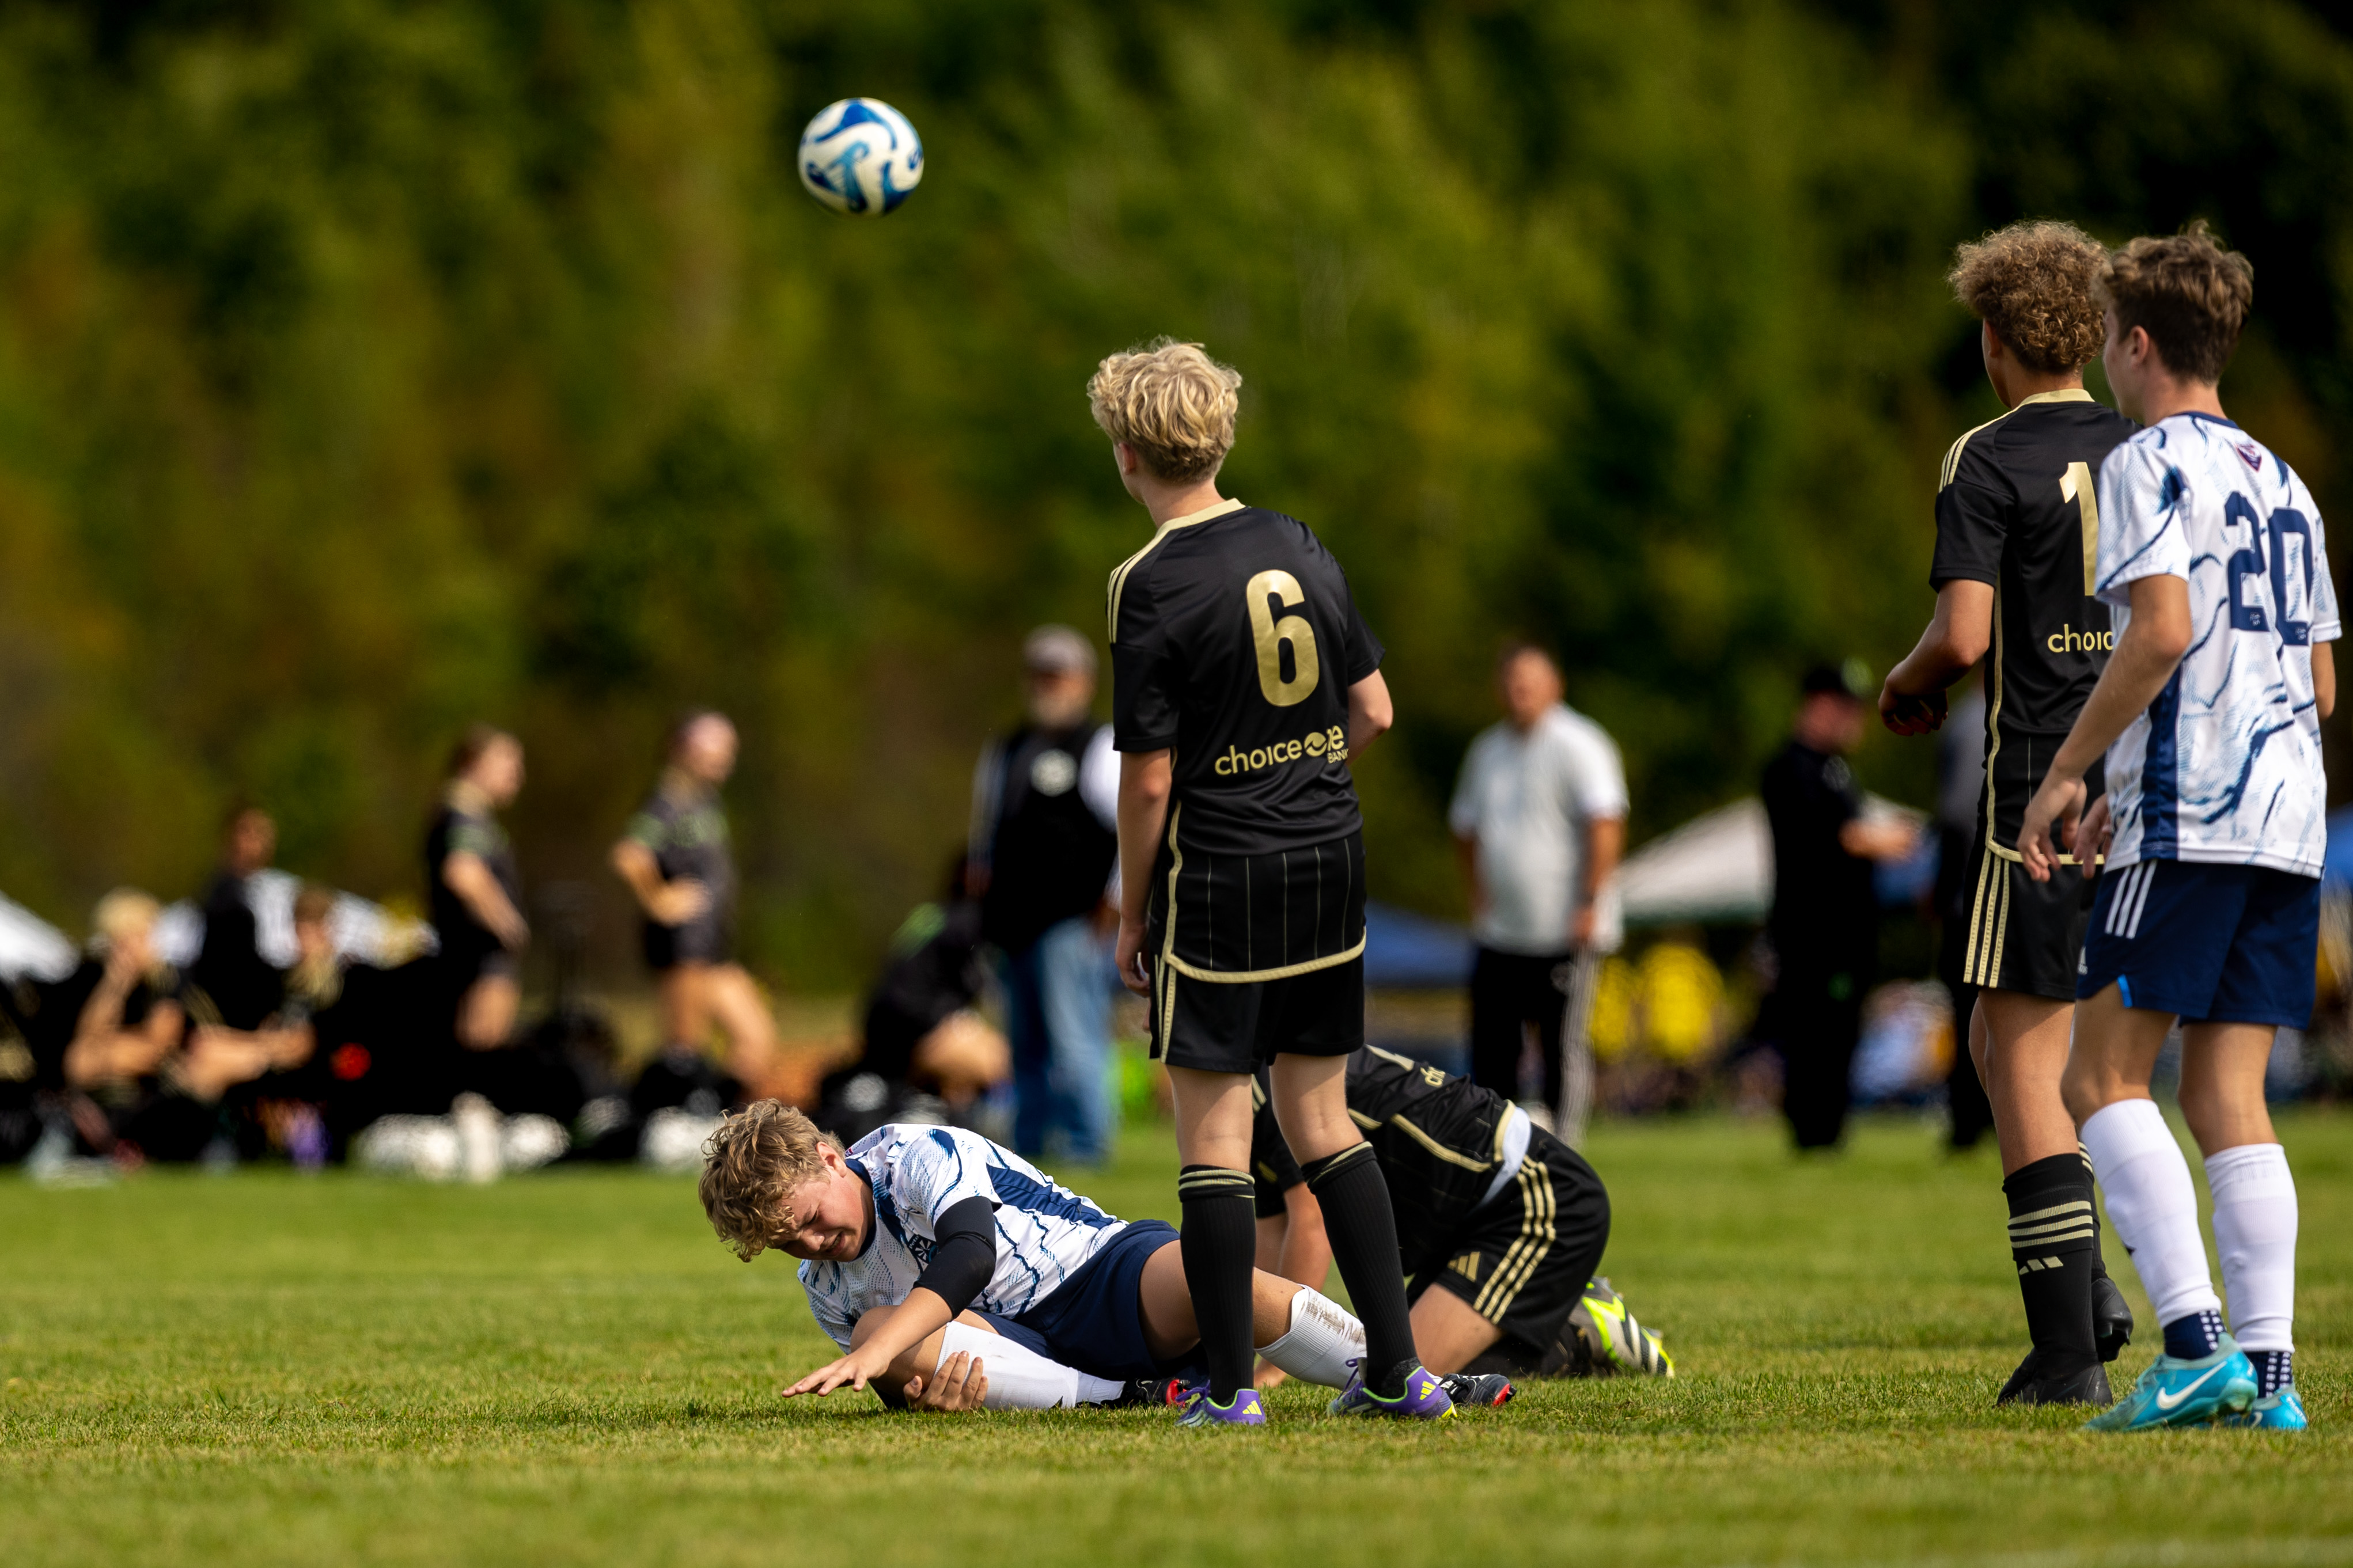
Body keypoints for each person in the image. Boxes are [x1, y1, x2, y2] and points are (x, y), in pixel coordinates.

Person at [2019, 224, 2336, 1433]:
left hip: (2194, 810)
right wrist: (2134, 778)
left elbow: (2158, 629)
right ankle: (2270, 1377)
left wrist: (2071, 770)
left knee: (2095, 1072)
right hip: (2287, 817)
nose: (2103, 355)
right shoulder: (2285, 482)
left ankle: (2194, 1344)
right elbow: (2317, 687)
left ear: (2138, 342)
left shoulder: (2146, 460)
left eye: (2107, 335)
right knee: (2226, 1093)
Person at [1096, 336, 1446, 1426]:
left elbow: (1150, 778)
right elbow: (1374, 708)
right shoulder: (1298, 540)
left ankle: (1230, 1392)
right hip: (1331, 856)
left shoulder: (1147, 580)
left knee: (1212, 1141)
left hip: (1225, 873)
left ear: (1126, 453)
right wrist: (1301, 779)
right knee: (1323, 1118)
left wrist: (1133, 910)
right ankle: (1399, 1372)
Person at [1878, 221, 2144, 1406]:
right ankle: (2090, 1291)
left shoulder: (1983, 455)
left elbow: (1965, 634)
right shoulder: (2145, 440)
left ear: (1993, 338)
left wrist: (1904, 683)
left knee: (2022, 1054)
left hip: (2037, 786)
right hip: (2144, 776)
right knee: (2024, 1045)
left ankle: (2067, 1350)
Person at [700, 1102, 1380, 1415]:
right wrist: (920, 1396)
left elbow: (971, 1252)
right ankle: (1127, 1396)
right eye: (787, 1243)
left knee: (1211, 1273)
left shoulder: (913, 1153)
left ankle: (1391, 1371)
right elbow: (894, 1378)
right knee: (877, 1330)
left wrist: (879, 1351)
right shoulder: (823, 1283)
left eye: (810, 1220)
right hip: (1024, 1349)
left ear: (829, 1158)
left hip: (1099, 1275)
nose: (812, 1245)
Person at [1248, 1046, 1671, 1396]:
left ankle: (1577, 1326)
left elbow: (1310, 1224)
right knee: (1387, 1363)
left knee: (1403, 1377)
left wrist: (1272, 1368)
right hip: (1462, 1223)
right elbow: (1270, 1234)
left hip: (1535, 1193)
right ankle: (1551, 1317)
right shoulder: (1259, 1083)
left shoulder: (1273, 1088)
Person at [1448, 643, 1627, 1142]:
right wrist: (1477, 891)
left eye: (1529, 681)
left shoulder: (1579, 744)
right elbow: (1465, 826)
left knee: (1559, 1043)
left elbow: (1605, 822)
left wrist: (1589, 901)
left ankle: (1564, 1145)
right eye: (1511, 681)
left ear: (1554, 685)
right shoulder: (1488, 751)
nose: (1519, 691)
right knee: (1492, 1042)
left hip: (1563, 927)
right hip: (1502, 928)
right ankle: (1493, 1144)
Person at [969, 626, 1122, 1165]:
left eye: (1058, 675)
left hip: (1071, 919)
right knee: (1025, 1044)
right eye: (1039, 674)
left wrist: (1116, 901)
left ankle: (1086, 1144)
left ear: (1084, 682)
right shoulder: (1007, 746)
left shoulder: (1099, 744)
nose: (1047, 686)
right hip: (1012, 922)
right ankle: (1028, 1146)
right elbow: (986, 830)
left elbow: (1129, 829)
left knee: (1074, 1036)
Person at [1759, 663, 1918, 1153]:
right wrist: (1884, 839)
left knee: (1840, 1032)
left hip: (1848, 931)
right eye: (1847, 708)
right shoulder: (1791, 768)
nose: (1855, 720)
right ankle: (1812, 1134)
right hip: (1813, 932)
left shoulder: (1837, 769)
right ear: (1820, 705)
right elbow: (1832, 836)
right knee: (1814, 1034)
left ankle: (1829, 1131)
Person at [611, 711, 779, 1100]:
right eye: (716, 748)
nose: (726, 758)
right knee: (686, 1051)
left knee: (755, 1038)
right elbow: (629, 855)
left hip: (714, 948)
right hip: (683, 948)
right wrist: (659, 898)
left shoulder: (705, 801)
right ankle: (677, 1117)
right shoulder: (666, 802)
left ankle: (717, 1111)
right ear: (685, 749)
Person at [820, 862, 1011, 1144]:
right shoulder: (971, 919)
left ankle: (953, 1117)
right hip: (914, 1029)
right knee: (1001, 1062)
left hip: (882, 1023)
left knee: (971, 1053)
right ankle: (989, 1130)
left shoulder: (932, 913)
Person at [427, 726, 529, 1056]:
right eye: (507, 764)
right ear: (473, 764)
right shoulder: (465, 816)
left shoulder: (468, 814)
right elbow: (462, 872)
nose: (517, 775)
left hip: (472, 953)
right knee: (481, 1053)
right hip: (480, 954)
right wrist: (507, 923)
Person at [190, 804, 284, 1031]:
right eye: (245, 832)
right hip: (230, 1001)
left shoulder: (281, 891)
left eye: (260, 834)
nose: (250, 842)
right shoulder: (217, 894)